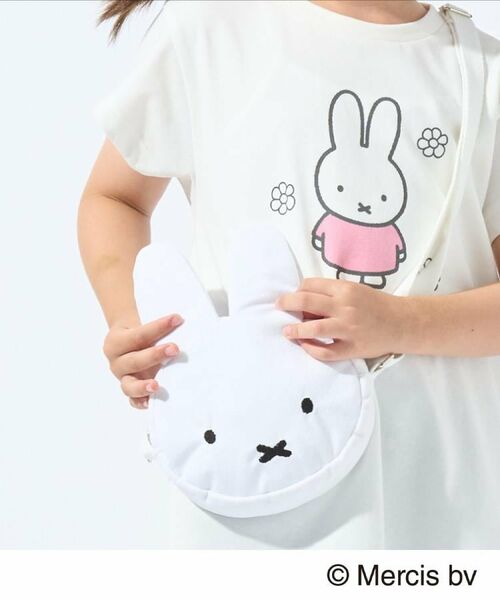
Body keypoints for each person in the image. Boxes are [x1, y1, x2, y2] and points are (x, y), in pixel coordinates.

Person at [78, 0, 500, 549]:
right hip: (251, 475)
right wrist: (135, 326)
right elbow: (115, 198)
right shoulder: (212, 30)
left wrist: (400, 323)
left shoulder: (480, 70)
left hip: (439, 493)